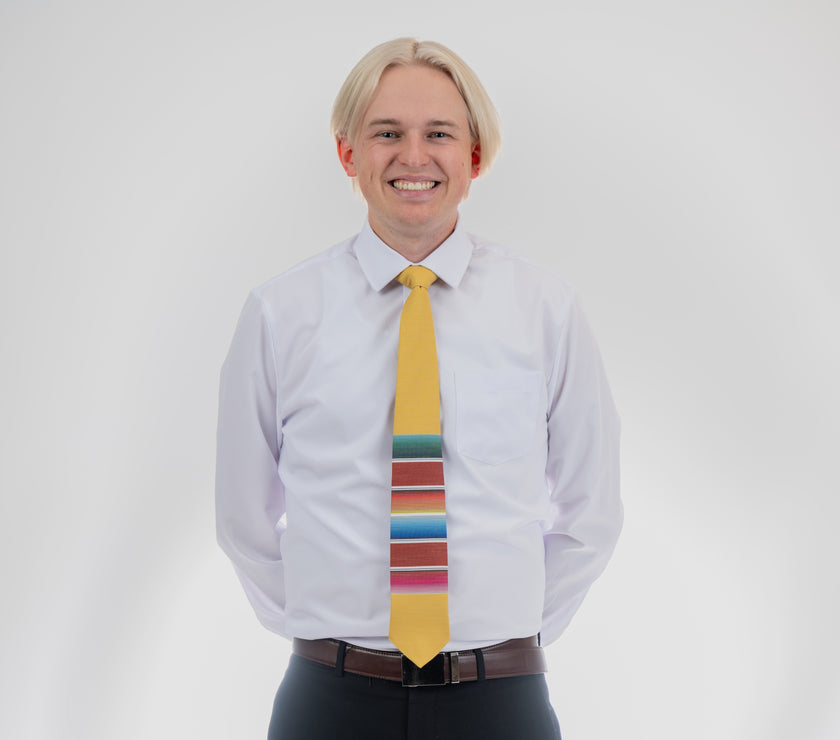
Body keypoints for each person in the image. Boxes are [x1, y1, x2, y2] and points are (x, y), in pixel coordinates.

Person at [215, 37, 622, 740]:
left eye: (439, 133)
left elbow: (591, 515)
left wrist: (502, 637)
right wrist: (333, 634)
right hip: (329, 701)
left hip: (503, 702)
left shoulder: (546, 310)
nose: (413, 156)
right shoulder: (280, 313)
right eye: (386, 134)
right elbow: (243, 520)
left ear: (474, 156)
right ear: (348, 154)